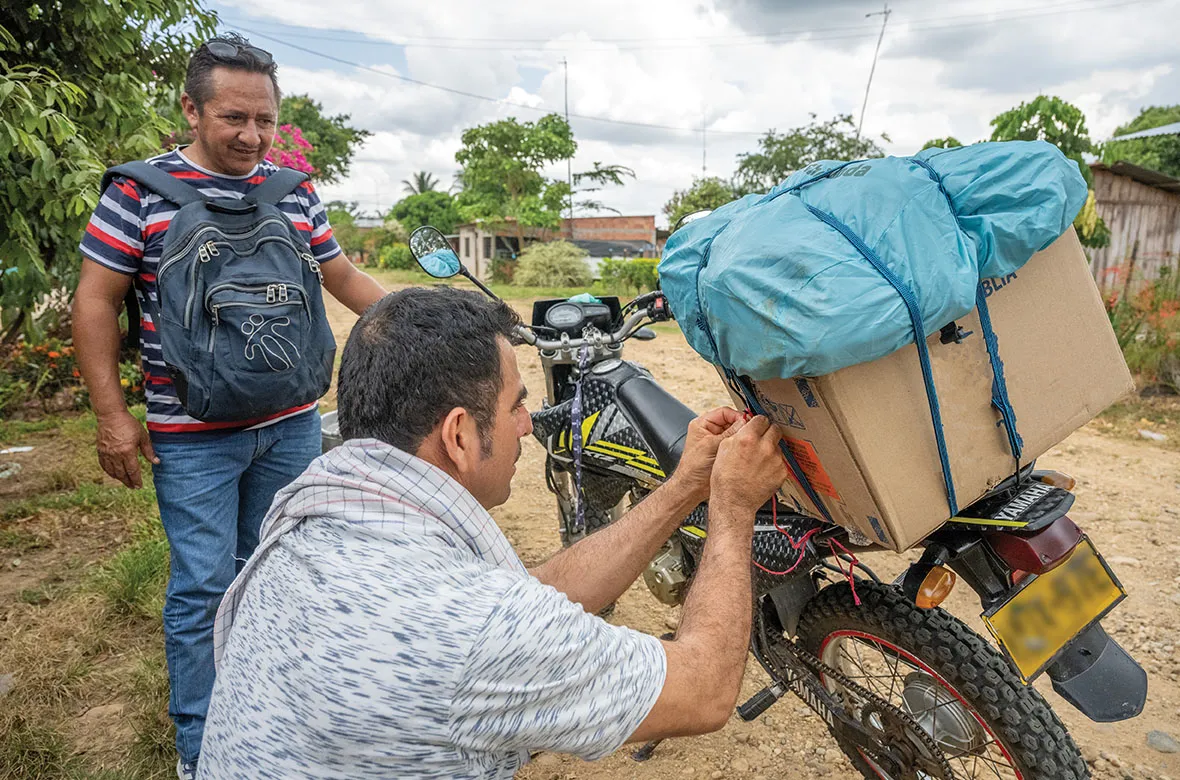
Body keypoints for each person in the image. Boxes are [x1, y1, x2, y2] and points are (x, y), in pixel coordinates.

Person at [196, 287, 789, 779]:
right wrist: (732, 510)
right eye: (515, 408)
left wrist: (686, 487)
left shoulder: (317, 511)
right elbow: (705, 690)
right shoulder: (476, 626)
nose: (528, 426)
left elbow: (530, 595)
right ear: (458, 435)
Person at [71, 34, 386, 780]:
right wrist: (114, 417)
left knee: (281, 575)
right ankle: (203, 751)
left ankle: (276, 719)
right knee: (204, 590)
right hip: (192, 438)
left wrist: (431, 319)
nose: (252, 136)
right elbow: (94, 302)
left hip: (290, 424)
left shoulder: (293, 191)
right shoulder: (138, 193)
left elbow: (343, 278)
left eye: (265, 120)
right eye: (233, 118)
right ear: (191, 109)